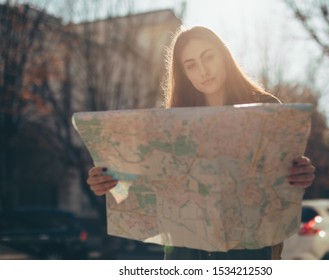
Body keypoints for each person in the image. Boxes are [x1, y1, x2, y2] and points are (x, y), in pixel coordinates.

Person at [86, 26, 316, 260]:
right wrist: (109, 181)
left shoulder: (267, 109)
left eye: (209, 57)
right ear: (184, 73)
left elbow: (282, 178)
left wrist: (300, 174)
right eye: (191, 65)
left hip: (246, 253)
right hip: (184, 254)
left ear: (223, 56)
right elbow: (146, 185)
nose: (203, 70)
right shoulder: (170, 123)